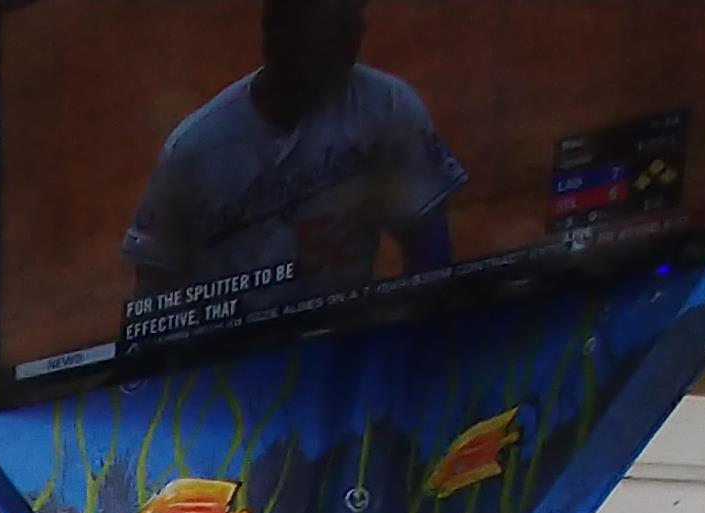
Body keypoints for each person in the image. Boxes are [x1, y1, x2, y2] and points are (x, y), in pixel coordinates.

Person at [122, 0, 462, 311]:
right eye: (333, 27)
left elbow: (428, 238)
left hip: (341, 338)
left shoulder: (386, 106)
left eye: (354, 21)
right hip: (229, 354)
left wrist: (424, 326)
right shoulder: (194, 149)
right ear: (277, 37)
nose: (353, 39)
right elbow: (153, 285)